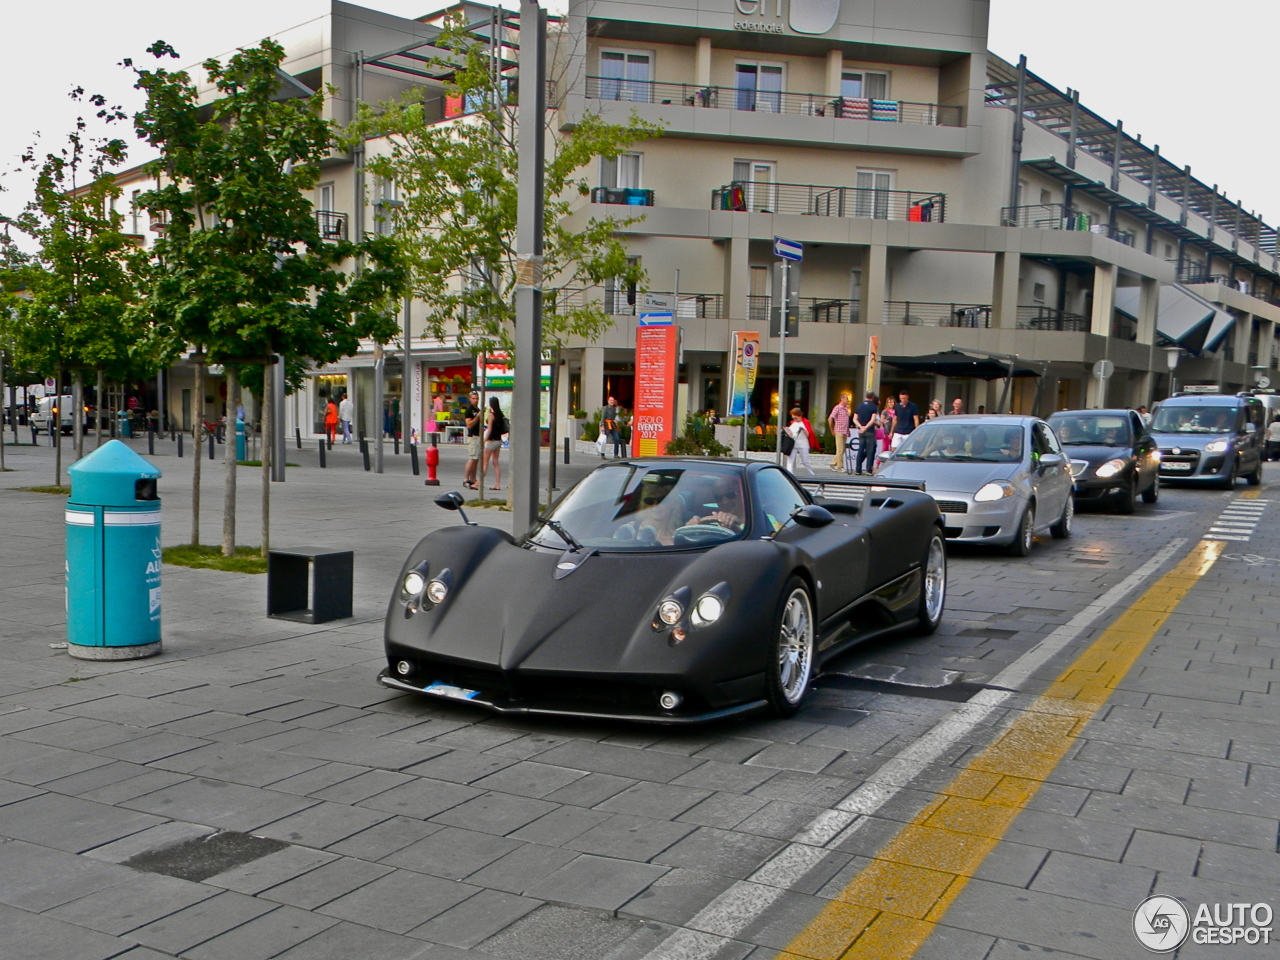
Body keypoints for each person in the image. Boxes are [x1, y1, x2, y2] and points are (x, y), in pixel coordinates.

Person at [853, 391, 880, 475]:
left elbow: (854, 419)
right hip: (870, 431)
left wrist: (861, 427)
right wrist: (866, 427)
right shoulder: (873, 407)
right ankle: (869, 469)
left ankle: (858, 469)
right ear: (872, 398)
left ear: (865, 396)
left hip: (861, 431)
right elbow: (872, 420)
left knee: (861, 449)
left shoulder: (859, 406)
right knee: (870, 450)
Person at [483, 396, 507, 490]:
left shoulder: (491, 415)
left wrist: (484, 440)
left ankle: (479, 483)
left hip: (491, 441)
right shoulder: (500, 414)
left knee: (485, 462)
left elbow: (489, 429)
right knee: (495, 462)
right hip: (498, 440)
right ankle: (497, 484)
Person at [785, 407, 817, 476]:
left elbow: (808, 434)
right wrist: (787, 430)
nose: (794, 419)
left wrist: (803, 430)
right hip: (794, 444)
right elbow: (791, 434)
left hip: (803, 444)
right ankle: (789, 475)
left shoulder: (805, 422)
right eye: (793, 418)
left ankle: (811, 474)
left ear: (799, 416)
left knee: (805, 461)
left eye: (795, 418)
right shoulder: (793, 423)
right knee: (790, 460)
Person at [827, 393, 851, 471]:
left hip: (844, 431)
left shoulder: (846, 408)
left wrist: (848, 430)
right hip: (839, 430)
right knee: (840, 449)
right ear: (842, 399)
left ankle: (833, 463)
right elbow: (830, 418)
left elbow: (846, 421)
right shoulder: (837, 408)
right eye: (846, 399)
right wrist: (832, 429)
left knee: (842, 449)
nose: (847, 401)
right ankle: (840, 466)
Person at [463, 391, 482, 489]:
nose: (475, 400)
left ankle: (473, 478)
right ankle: (465, 479)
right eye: (473, 398)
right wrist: (477, 417)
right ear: (470, 399)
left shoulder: (477, 409)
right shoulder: (469, 410)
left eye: (477, 398)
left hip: (478, 436)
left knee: (476, 459)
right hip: (473, 436)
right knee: (472, 457)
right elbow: (469, 424)